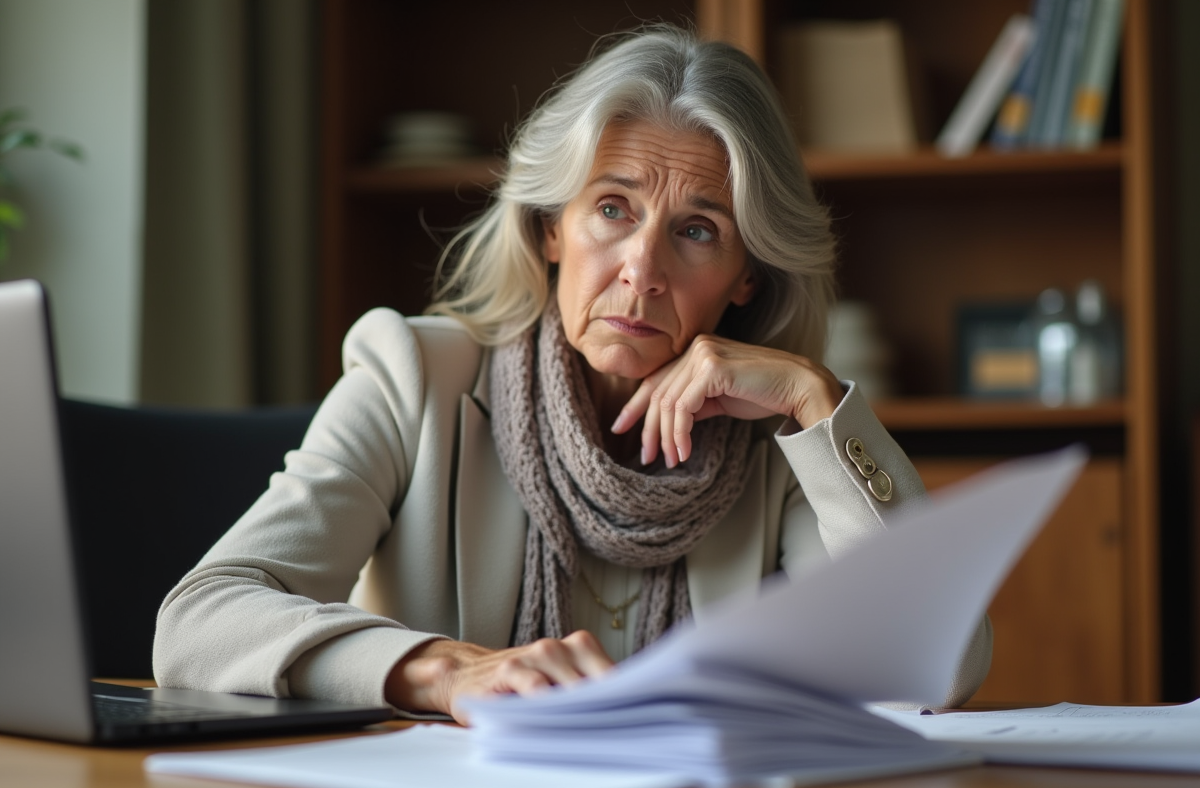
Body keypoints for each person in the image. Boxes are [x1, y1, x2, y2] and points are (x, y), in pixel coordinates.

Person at [154, 25, 991, 724]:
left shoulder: (784, 438)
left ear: (748, 277)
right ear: (551, 227)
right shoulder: (414, 377)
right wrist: (443, 671)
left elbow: (936, 669)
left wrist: (817, 404)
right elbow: (200, 622)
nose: (642, 270)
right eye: (613, 208)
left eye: (697, 230)